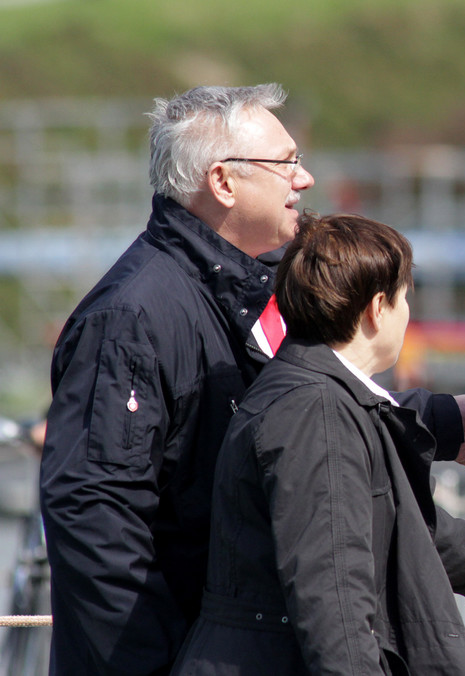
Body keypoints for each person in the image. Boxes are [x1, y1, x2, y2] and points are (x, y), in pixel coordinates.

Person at [171, 213, 465, 675]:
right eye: (406, 300)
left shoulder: (315, 395)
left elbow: (381, 526)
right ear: (377, 308)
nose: (408, 315)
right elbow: (335, 605)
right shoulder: (317, 414)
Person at [40, 83, 313, 675]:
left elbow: (308, 409)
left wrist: (444, 422)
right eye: (287, 162)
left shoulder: (249, 292)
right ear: (223, 182)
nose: (305, 178)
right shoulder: (133, 317)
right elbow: (94, 517)